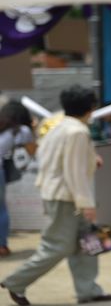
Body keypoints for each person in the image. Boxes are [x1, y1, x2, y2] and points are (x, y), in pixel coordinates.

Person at [1, 85, 111, 306]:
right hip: (67, 197)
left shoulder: (57, 124)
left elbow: (52, 156)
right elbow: (74, 171)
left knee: (87, 243)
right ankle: (16, 281)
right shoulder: (77, 131)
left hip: (59, 194)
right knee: (58, 246)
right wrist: (87, 204)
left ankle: (89, 290)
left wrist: (92, 161)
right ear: (91, 108)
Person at [0, 100, 36, 257]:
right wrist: (34, 129)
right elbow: (33, 150)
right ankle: (1, 246)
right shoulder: (22, 130)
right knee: (1, 209)